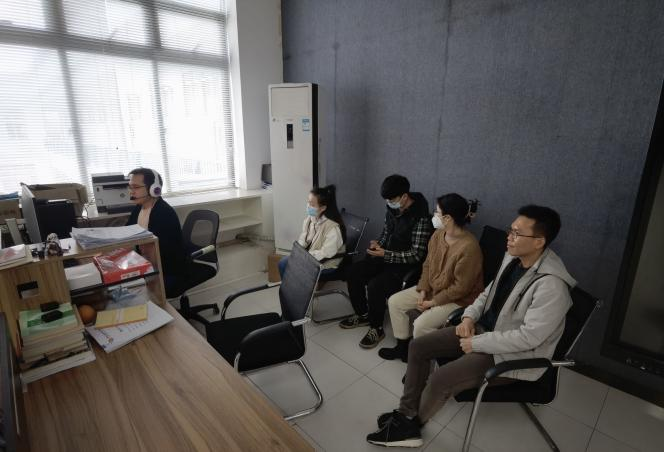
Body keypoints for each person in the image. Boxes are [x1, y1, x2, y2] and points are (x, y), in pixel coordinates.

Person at [366, 205, 575, 447]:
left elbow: (529, 338)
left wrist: (476, 343)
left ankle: (411, 429)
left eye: (517, 233)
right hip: (482, 331)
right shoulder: (513, 257)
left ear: (539, 242)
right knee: (418, 346)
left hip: (509, 355)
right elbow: (487, 294)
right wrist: (468, 318)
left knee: (440, 379)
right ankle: (407, 414)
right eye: (511, 230)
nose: (509, 237)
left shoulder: (552, 287)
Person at [378, 193, 484, 362]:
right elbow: (427, 265)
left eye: (437, 212)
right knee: (395, 302)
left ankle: (421, 361)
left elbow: (461, 288)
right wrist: (423, 290)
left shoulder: (469, 247)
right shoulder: (438, 235)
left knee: (421, 325)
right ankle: (402, 348)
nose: (434, 215)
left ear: (447, 218)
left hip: (458, 300)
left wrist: (433, 302)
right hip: (433, 289)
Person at [339, 174, 432, 349]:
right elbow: (385, 233)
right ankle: (363, 314)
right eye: (387, 200)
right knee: (353, 271)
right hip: (385, 257)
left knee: (375, 285)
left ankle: (377, 328)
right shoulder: (391, 209)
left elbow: (416, 255)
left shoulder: (421, 218)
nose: (389, 203)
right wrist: (378, 244)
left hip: (405, 267)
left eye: (392, 200)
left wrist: (386, 253)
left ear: (404, 196)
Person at [126, 167, 186, 298]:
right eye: (130, 187)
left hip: (166, 270)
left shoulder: (163, 213)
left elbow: (161, 254)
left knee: (125, 290)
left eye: (135, 187)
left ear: (154, 189)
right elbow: (127, 233)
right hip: (147, 264)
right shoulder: (138, 209)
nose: (131, 191)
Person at [278, 185, 346, 279]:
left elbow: (326, 253)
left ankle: (296, 287)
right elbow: (304, 239)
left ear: (323, 208)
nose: (308, 206)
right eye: (308, 202)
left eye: (312, 205)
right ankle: (291, 287)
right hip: (311, 257)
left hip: (326, 263)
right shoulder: (310, 219)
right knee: (283, 262)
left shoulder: (332, 229)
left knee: (289, 266)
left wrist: (305, 257)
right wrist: (298, 252)